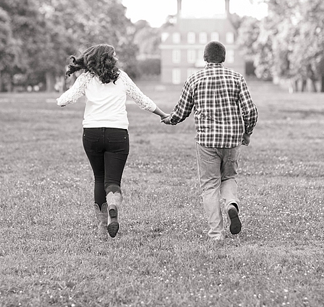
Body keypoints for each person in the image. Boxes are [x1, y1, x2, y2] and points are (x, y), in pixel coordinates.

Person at [56, 44, 168, 238]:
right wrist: (162, 114)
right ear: (109, 59)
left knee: (99, 178)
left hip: (92, 133)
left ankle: (101, 226)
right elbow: (142, 100)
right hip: (118, 134)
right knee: (112, 181)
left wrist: (62, 97)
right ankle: (113, 205)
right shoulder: (121, 77)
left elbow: (65, 100)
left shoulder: (86, 78)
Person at [162, 41, 258, 241]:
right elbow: (250, 111)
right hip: (232, 139)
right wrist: (247, 132)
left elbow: (181, 111)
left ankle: (216, 234)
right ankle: (231, 203)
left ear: (205, 58)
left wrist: (169, 119)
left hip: (206, 141)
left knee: (209, 185)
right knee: (229, 177)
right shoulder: (236, 78)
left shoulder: (194, 79)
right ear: (223, 58)